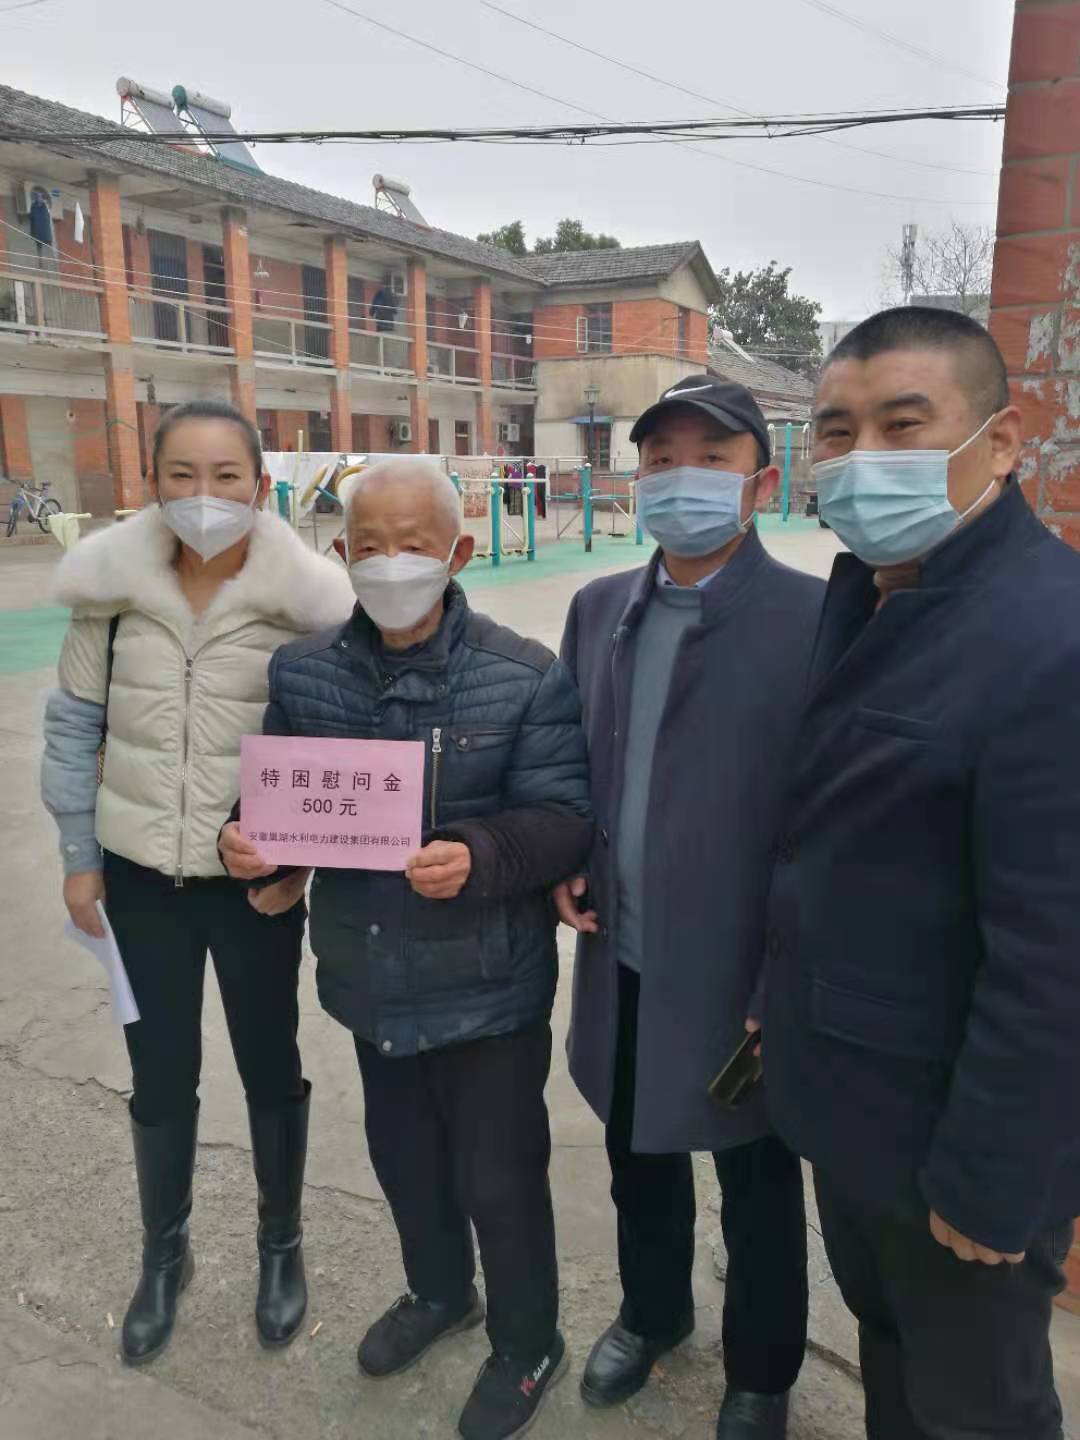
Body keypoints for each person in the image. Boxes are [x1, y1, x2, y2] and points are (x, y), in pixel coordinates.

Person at [220, 457, 592, 1440]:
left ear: (458, 552)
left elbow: (564, 820)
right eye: (370, 546)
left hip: (488, 988)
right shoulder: (304, 673)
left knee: (499, 1181)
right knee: (405, 1162)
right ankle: (439, 1291)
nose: (391, 565)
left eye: (414, 545)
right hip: (369, 979)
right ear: (343, 553)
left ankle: (528, 1341)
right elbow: (279, 806)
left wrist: (480, 854)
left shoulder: (525, 674)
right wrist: (250, 847)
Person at [764, 306, 1080, 1440]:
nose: (863, 459)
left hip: (956, 1149)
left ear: (1002, 443)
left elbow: (1055, 958)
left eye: (904, 425)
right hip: (852, 1110)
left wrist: (992, 1181)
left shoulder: (1050, 636)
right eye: (837, 431)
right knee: (891, 1356)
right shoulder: (865, 588)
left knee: (979, 1407)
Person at [41, 399, 355, 1365]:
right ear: (153, 483)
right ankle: (164, 1257)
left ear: (261, 488)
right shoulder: (110, 595)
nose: (204, 494)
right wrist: (80, 858)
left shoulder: (308, 605)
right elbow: (72, 729)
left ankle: (280, 1246)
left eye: (227, 476)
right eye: (182, 474)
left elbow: (334, 756)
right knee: (160, 1071)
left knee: (269, 1061)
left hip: (252, 888)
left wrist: (296, 863)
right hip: (139, 880)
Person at [556, 376, 823, 1439]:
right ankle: (653, 1310)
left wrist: (783, 971)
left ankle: (762, 1370)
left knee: (758, 1183)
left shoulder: (815, 621)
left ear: (760, 483)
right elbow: (571, 765)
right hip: (624, 952)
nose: (682, 480)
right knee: (639, 1155)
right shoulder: (598, 610)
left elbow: (831, 824)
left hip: (745, 969)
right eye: (661, 460)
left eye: (711, 460)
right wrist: (566, 858)